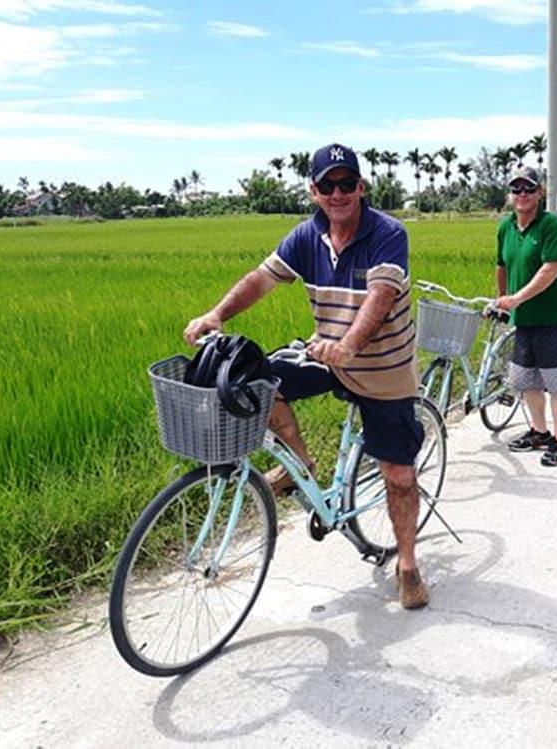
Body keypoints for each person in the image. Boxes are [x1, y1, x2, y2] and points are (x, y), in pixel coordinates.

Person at [183, 143, 429, 610]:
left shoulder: (387, 234)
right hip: (325, 353)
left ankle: (409, 565)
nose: (337, 194)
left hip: (382, 370)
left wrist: (349, 346)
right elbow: (262, 278)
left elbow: (379, 297)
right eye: (327, 185)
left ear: (361, 187)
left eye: (346, 183)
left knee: (397, 473)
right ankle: (302, 466)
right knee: (256, 380)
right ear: (314, 191)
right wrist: (217, 313)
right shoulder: (306, 236)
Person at [495, 165, 557, 467]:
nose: (522, 195)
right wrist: (502, 300)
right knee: (527, 381)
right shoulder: (505, 227)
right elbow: (501, 265)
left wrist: (516, 298)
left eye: (529, 189)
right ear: (510, 194)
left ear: (540, 192)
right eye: (517, 189)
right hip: (523, 321)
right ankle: (539, 432)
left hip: (550, 319)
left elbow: (550, 270)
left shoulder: (551, 225)